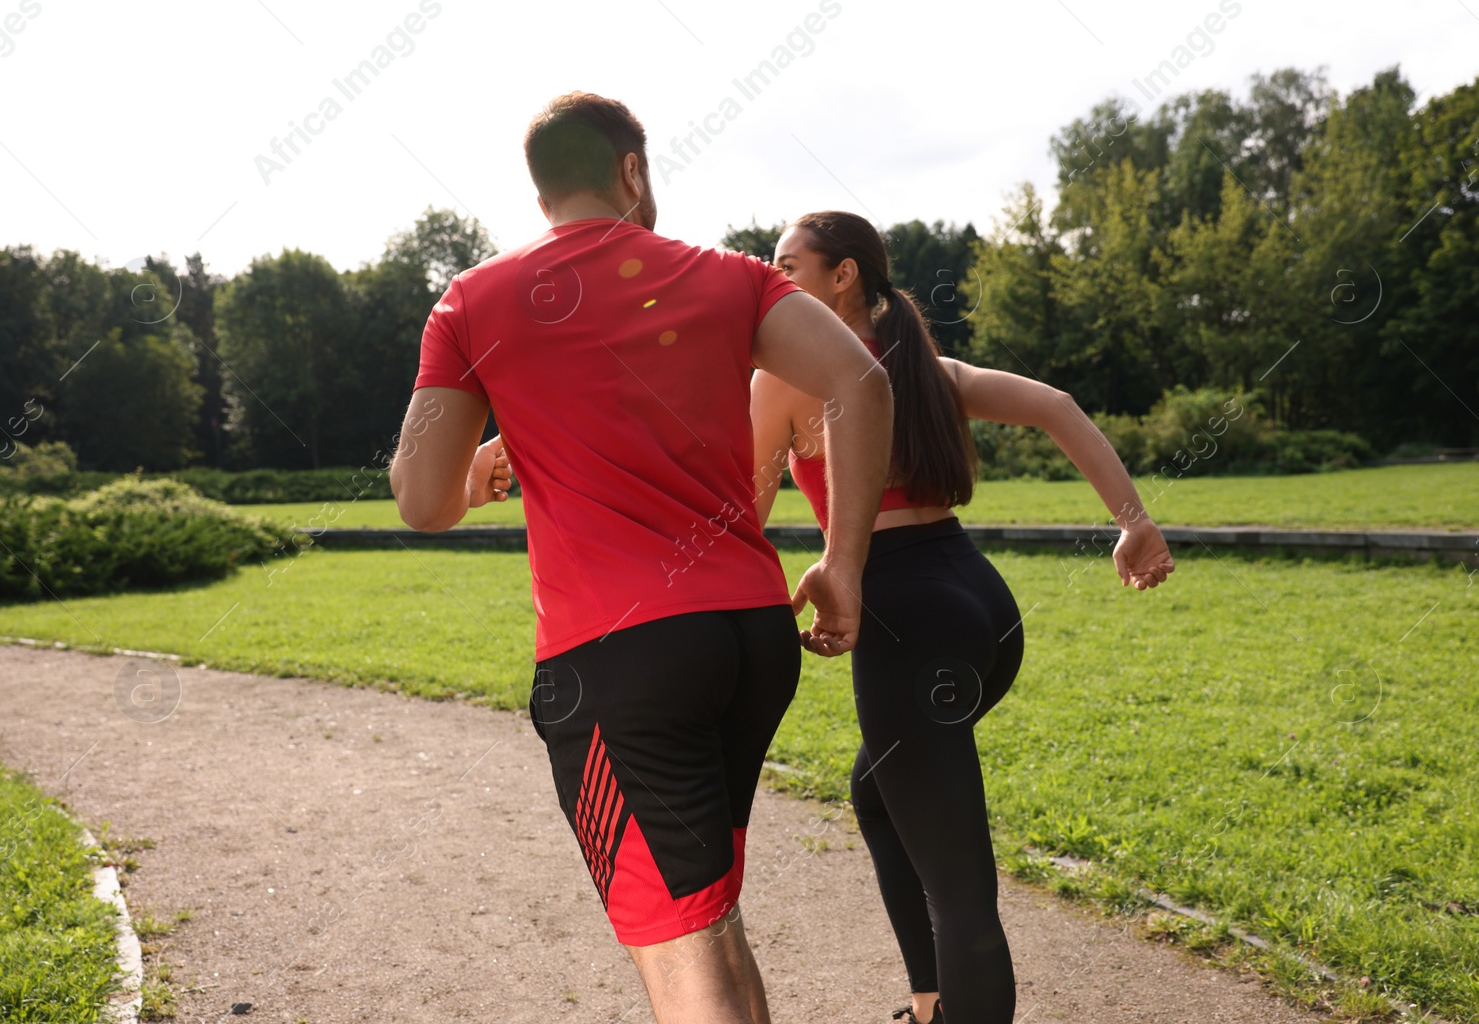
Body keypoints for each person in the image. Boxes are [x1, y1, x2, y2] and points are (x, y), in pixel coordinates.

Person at [388, 95, 892, 1024]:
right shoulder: (732, 277)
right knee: (711, 918)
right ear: (630, 170)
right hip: (747, 640)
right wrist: (844, 562)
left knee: (684, 948)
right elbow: (862, 379)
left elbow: (421, 498)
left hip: (615, 662)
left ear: (540, 189)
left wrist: (475, 463)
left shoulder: (470, 302)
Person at [749, 211, 1174, 1024]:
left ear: (843, 275)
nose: (775, 279)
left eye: (788, 264)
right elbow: (1056, 404)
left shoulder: (787, 378)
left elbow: (746, 511)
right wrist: (1134, 521)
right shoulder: (927, 369)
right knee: (876, 793)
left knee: (962, 894)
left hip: (906, 625)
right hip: (980, 608)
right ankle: (931, 1003)